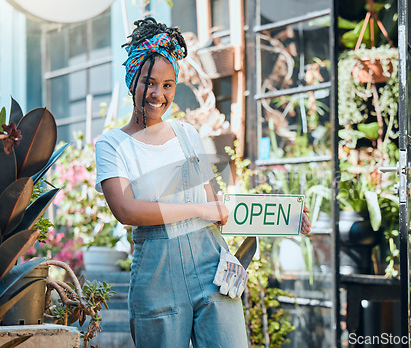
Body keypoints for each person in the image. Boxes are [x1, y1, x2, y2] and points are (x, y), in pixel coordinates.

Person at [95, 16, 311, 348]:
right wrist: (199, 208)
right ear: (132, 80)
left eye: (167, 85)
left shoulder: (187, 134)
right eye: (149, 82)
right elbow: (127, 210)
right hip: (157, 278)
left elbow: (219, 209)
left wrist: (286, 216)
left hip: (213, 267)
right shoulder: (112, 145)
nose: (158, 94)